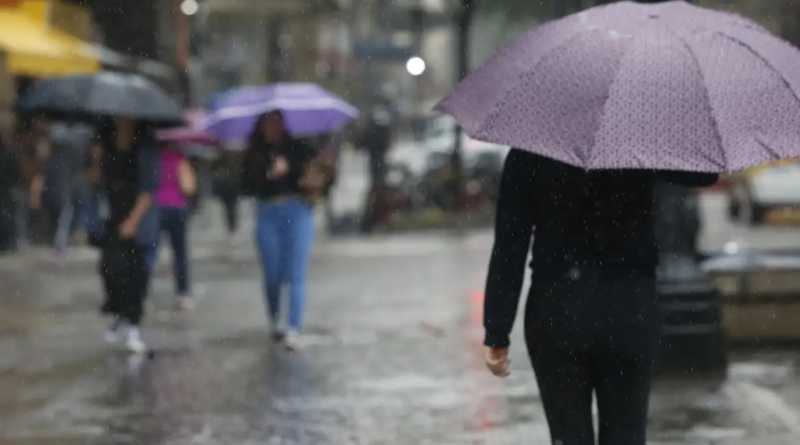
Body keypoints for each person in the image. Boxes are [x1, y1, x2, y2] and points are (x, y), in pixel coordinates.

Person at [482, 149, 717, 445]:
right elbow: (704, 173)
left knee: (568, 435)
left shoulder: (531, 151)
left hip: (558, 307)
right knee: (626, 434)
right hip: (627, 307)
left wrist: (497, 330)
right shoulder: (637, 143)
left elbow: (509, 243)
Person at [241, 111, 319, 351]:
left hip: (297, 211)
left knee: (295, 273)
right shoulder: (254, 153)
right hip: (268, 212)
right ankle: (276, 320)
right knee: (272, 273)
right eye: (267, 122)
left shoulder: (299, 147)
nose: (272, 127)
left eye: (277, 121)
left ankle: (294, 326)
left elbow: (317, 174)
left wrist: (292, 169)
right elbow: (246, 186)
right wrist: (268, 174)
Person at [97, 116, 160, 353]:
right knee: (109, 268)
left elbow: (148, 190)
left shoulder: (145, 147)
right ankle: (119, 313)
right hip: (113, 214)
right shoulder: (107, 143)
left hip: (138, 218)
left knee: (135, 274)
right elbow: (98, 179)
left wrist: (133, 221)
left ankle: (134, 324)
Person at [146, 144, 196, 310]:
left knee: (151, 252)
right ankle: (183, 293)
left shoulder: (151, 157)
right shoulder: (179, 158)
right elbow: (189, 187)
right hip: (177, 208)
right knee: (180, 252)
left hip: (156, 208)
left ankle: (143, 293)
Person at [211, 151, 240, 243]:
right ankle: (231, 224)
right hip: (225, 188)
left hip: (232, 188)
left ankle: (232, 225)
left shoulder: (235, 161)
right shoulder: (221, 161)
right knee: (228, 207)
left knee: (232, 207)